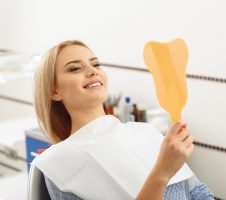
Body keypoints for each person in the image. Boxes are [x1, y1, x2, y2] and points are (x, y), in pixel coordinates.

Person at [33, 40, 214, 200]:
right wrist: (162, 173)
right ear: (54, 91)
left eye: (96, 64)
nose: (92, 71)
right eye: (75, 68)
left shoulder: (146, 132)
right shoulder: (58, 165)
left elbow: (198, 194)